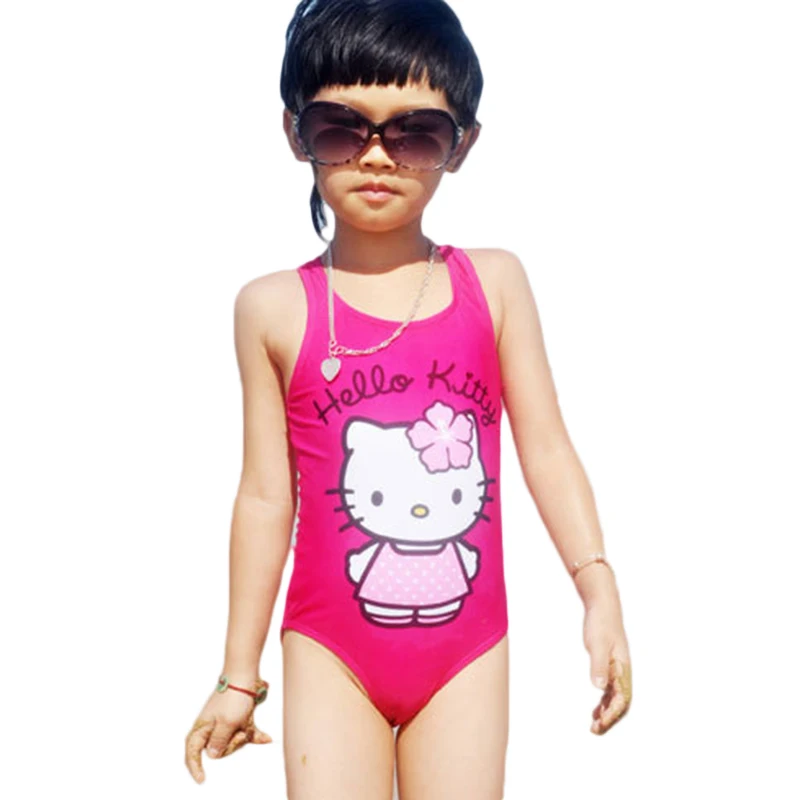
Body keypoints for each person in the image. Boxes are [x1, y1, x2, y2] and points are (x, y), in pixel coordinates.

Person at [184, 0, 632, 796]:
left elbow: (546, 447)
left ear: (461, 146)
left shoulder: (493, 284)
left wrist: (598, 590)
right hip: (329, 652)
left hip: (466, 657)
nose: (377, 157)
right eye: (341, 129)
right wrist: (236, 675)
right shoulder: (272, 309)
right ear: (295, 133)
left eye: (415, 133)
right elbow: (264, 497)